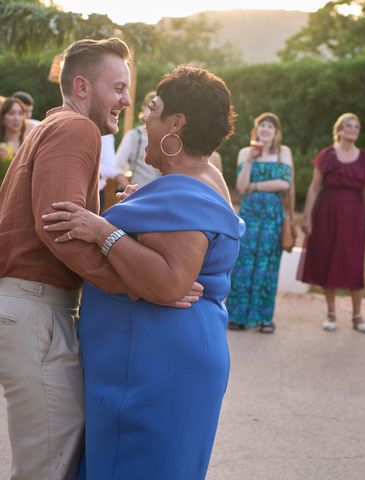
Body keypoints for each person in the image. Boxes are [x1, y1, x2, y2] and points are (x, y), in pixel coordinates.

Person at [42, 65, 241, 479]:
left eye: (153, 106)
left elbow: (169, 283)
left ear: (176, 123)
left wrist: (104, 230)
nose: (145, 115)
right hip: (151, 362)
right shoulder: (195, 181)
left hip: (152, 372)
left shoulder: (187, 191)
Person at [0, 37, 136, 480]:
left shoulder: (49, 126)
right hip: (36, 307)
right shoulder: (78, 128)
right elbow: (57, 228)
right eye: (117, 88)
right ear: (82, 86)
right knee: (47, 466)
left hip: (28, 305)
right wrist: (134, 283)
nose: (127, 99)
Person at [298, 113, 365, 333]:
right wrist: (307, 216)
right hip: (328, 213)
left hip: (354, 216)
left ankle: (357, 316)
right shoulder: (327, 155)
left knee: (354, 262)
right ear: (340, 130)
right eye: (348, 125)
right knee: (328, 259)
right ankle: (331, 313)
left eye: (356, 126)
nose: (353, 128)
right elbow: (314, 187)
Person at [225, 112, 294, 333]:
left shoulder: (283, 152)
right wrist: (249, 162)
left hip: (273, 216)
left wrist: (256, 186)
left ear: (276, 132)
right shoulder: (245, 152)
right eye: (262, 125)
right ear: (256, 129)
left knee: (267, 265)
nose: (266, 129)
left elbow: (284, 183)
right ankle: (237, 316)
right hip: (250, 214)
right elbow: (241, 186)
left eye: (270, 126)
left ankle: (264, 318)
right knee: (243, 263)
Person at [113, 90, 162, 190]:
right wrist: (133, 193)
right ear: (144, 109)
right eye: (150, 108)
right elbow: (116, 168)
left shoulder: (166, 137)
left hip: (162, 196)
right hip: (140, 195)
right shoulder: (134, 136)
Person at [0, 96, 28, 162]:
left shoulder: (30, 144)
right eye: (11, 113)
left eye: (20, 113)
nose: (17, 118)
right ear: (3, 118)